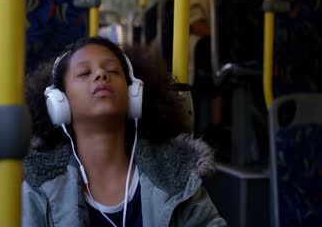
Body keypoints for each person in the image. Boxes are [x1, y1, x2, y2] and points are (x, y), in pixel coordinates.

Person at [22, 36, 226, 226]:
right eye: (85, 73)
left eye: (112, 71)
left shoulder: (175, 175)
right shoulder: (38, 186)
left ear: (133, 94)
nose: (101, 74)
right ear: (58, 102)